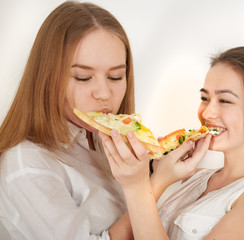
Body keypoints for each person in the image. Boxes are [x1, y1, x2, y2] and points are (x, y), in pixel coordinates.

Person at [0, 1, 210, 239]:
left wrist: (155, 165)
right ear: (47, 77)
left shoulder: (101, 140)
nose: (103, 93)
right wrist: (155, 183)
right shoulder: (27, 162)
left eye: (115, 76)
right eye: (83, 77)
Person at [100, 46, 244, 239]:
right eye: (205, 98)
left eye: (225, 100)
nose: (207, 112)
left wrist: (138, 186)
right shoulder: (191, 177)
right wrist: (157, 179)